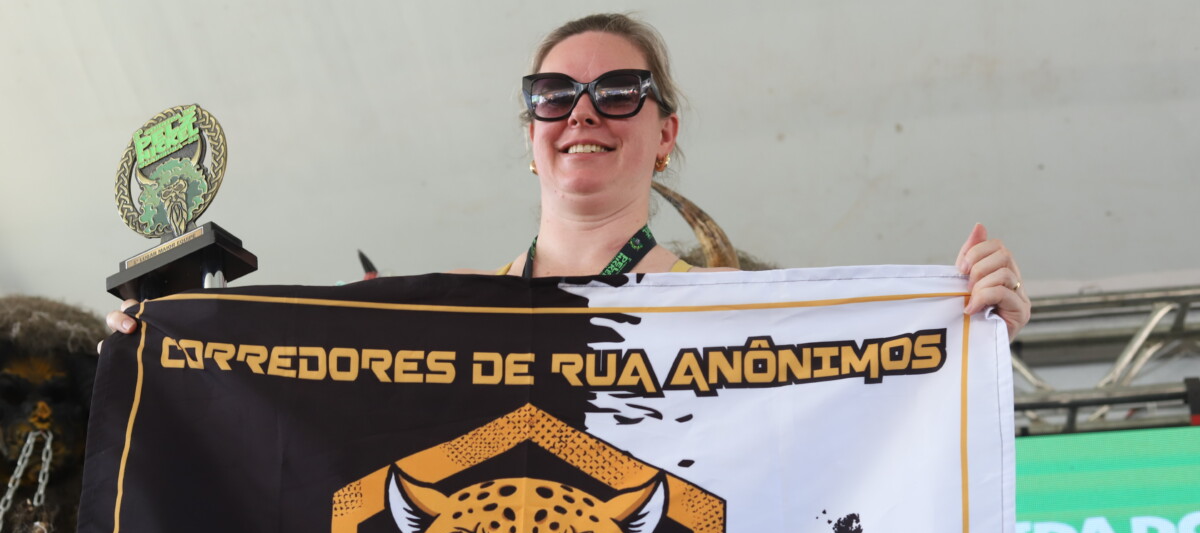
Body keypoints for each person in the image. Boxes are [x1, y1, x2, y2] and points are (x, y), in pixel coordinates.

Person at [107, 13, 1030, 338]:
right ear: (531, 133)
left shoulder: (741, 308)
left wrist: (972, 334)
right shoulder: (439, 311)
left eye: (619, 92)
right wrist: (171, 347)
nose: (582, 113)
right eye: (553, 96)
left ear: (665, 134)